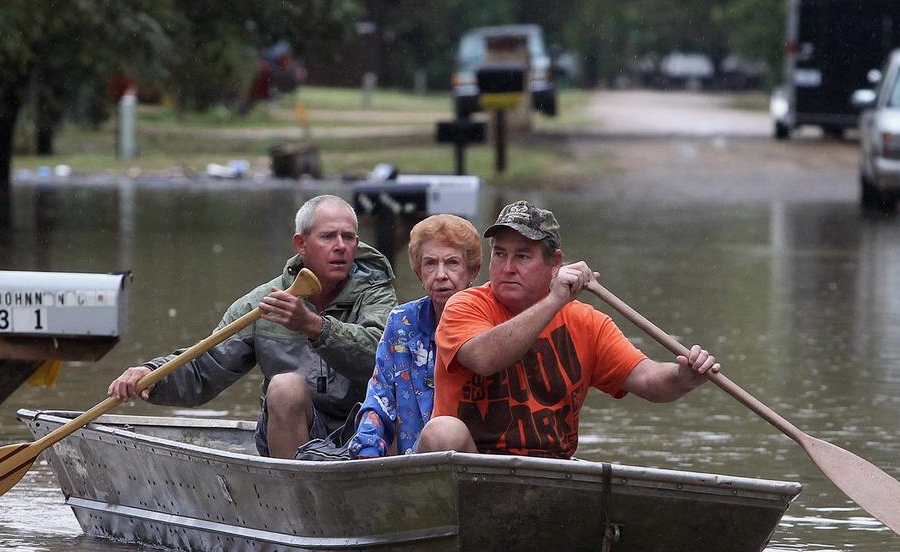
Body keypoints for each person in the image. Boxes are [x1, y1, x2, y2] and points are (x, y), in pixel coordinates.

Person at [416, 200, 720, 459]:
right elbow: (484, 358)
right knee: (443, 430)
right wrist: (554, 300)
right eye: (500, 254)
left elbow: (647, 379)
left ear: (555, 264)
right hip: (474, 470)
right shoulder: (464, 305)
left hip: (551, 472)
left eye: (522, 256)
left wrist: (683, 377)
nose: (507, 267)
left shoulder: (588, 323)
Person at [107, 195, 397, 459]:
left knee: (402, 400)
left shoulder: (377, 295)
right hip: (294, 437)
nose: (340, 246)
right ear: (301, 244)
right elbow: (206, 367)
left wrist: (314, 327)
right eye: (328, 237)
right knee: (285, 386)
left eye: (348, 238)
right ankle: (290, 497)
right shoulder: (262, 304)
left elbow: (380, 356)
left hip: (365, 431)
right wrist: (152, 374)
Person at [348, 214, 482, 458]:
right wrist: (366, 450)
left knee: (444, 434)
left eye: (452, 263)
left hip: (475, 466)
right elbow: (380, 397)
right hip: (411, 466)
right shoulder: (401, 321)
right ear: (419, 273)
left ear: (472, 271)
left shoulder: (490, 318)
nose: (440, 274)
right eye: (430, 264)